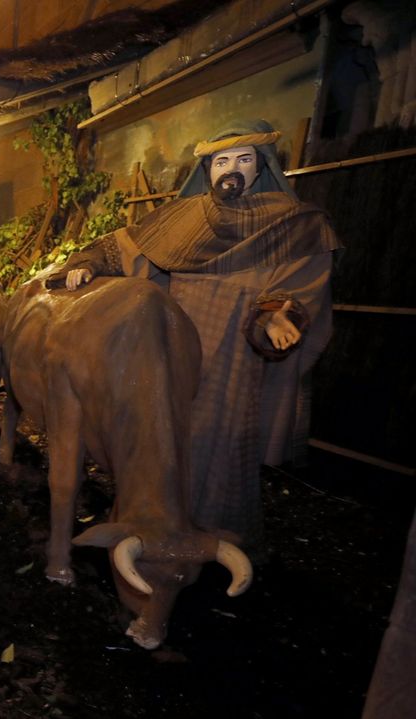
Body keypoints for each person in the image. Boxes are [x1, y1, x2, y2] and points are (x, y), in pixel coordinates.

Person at [57, 119, 341, 548]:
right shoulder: (182, 216)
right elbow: (126, 246)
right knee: (160, 429)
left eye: (244, 159)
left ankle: (214, 535)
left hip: (235, 351)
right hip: (173, 341)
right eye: (221, 160)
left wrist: (281, 315)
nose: (232, 168)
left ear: (261, 166)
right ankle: (145, 524)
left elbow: (300, 282)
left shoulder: (295, 222)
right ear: (207, 169)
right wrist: (89, 263)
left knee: (219, 439)